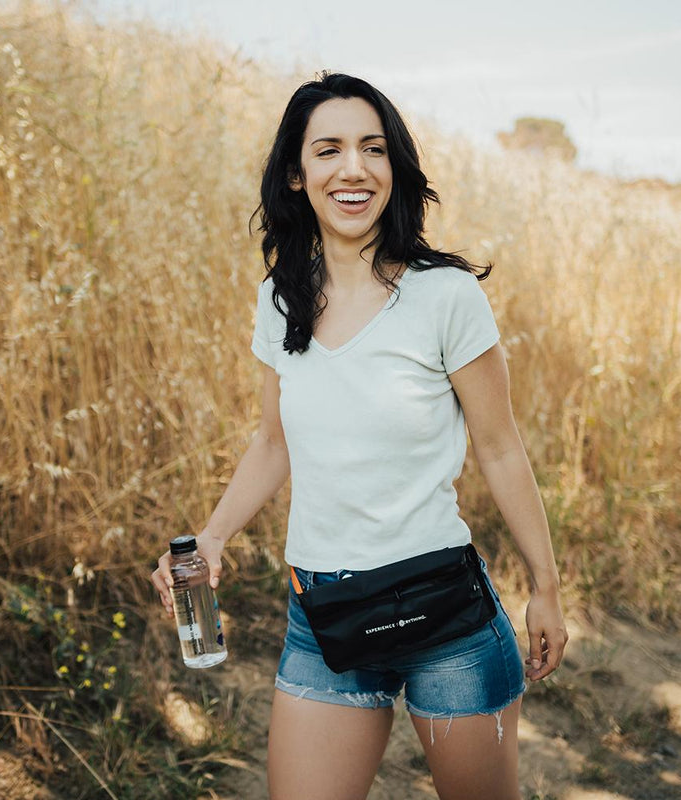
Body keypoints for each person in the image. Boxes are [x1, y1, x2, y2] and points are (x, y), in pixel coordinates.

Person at [151, 72, 567, 800]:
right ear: (297, 172)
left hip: (447, 619)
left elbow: (502, 448)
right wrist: (213, 535)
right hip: (323, 619)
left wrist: (546, 587)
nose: (354, 168)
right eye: (330, 149)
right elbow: (273, 442)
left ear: (394, 168)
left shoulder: (446, 295)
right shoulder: (278, 300)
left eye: (374, 149)